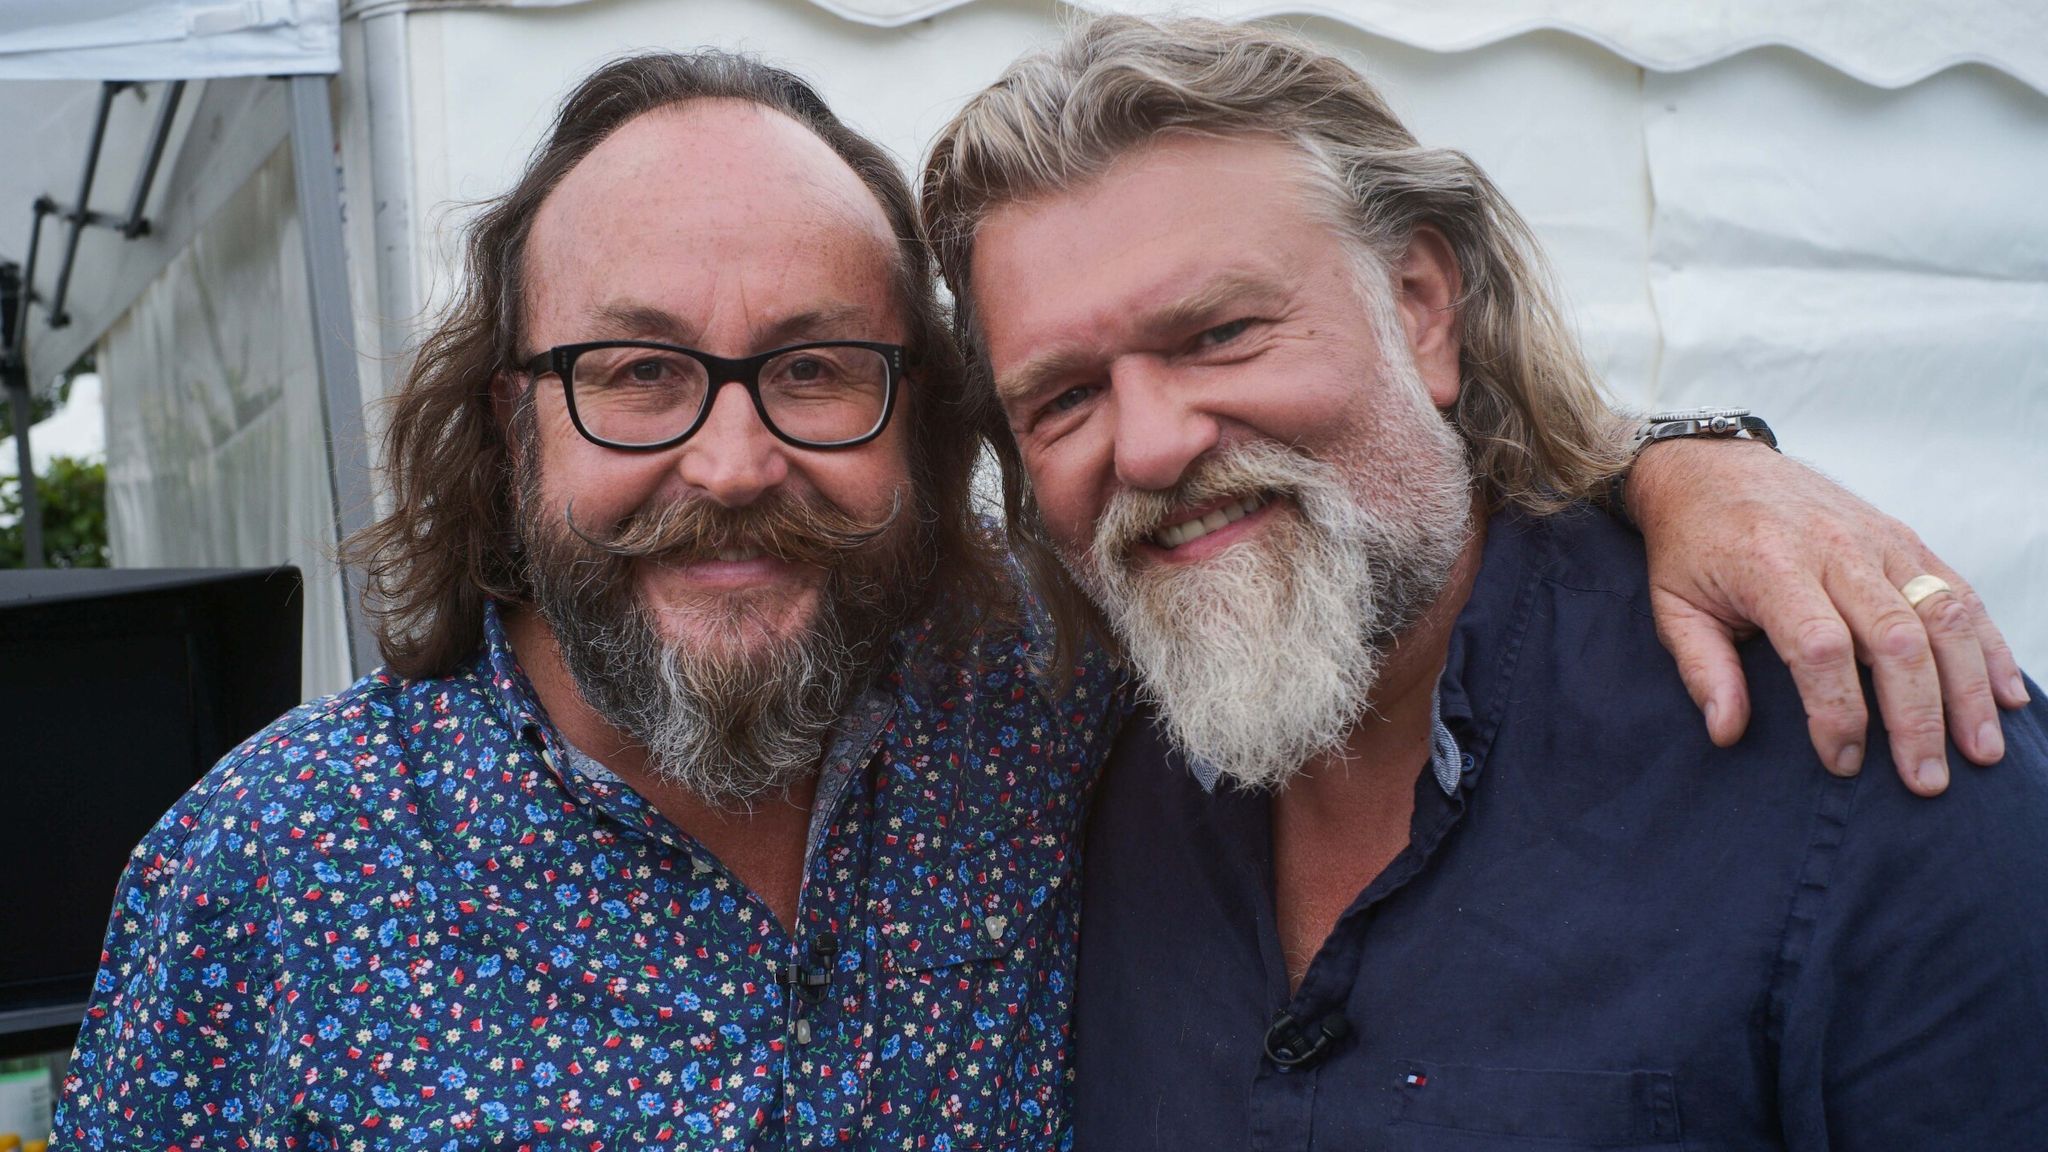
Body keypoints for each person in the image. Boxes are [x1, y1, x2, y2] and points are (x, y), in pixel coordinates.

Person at [55, 40, 2022, 1152]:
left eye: (816, 368)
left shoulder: (1054, 714)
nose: (729, 460)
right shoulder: (265, 884)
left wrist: (1688, 459)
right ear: (510, 421)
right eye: (638, 371)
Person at [919, 15, 2048, 1150]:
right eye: (1062, 398)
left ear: (1419, 304)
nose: (1150, 446)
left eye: (1218, 333)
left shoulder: (1860, 745)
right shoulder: (1061, 767)